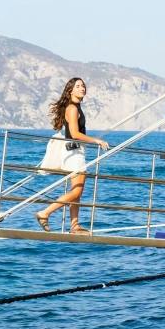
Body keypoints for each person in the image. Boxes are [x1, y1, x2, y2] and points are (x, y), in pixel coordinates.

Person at [37, 77, 109, 232]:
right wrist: (96, 141)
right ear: (70, 90)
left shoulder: (75, 107)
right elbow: (75, 134)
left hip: (75, 152)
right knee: (77, 191)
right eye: (78, 86)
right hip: (74, 153)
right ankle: (45, 213)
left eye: (83, 86)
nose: (82, 88)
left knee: (76, 191)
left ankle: (74, 225)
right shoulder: (72, 108)